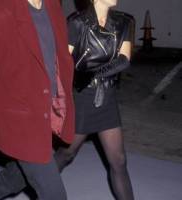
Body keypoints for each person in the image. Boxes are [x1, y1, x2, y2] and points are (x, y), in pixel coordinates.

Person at [0, 0, 75, 199]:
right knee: (54, 194)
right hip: (20, 116)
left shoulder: (52, 5)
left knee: (17, 177)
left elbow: (56, 53)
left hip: (46, 109)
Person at [54, 0, 135, 200]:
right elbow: (62, 64)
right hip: (82, 98)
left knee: (119, 161)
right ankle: (39, 180)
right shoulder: (77, 22)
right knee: (67, 154)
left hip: (106, 97)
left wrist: (93, 74)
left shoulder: (124, 22)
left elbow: (124, 60)